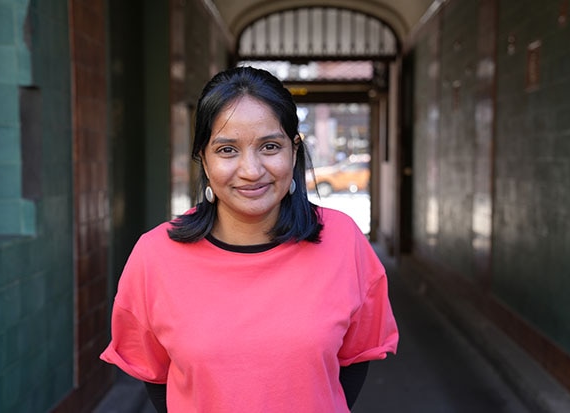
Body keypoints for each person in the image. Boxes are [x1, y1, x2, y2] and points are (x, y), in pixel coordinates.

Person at [100, 66, 398, 412]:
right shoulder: (155, 256)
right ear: (204, 160)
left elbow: (355, 359)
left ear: (294, 151)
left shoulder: (343, 241)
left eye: (270, 146)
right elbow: (155, 376)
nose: (251, 170)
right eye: (227, 150)